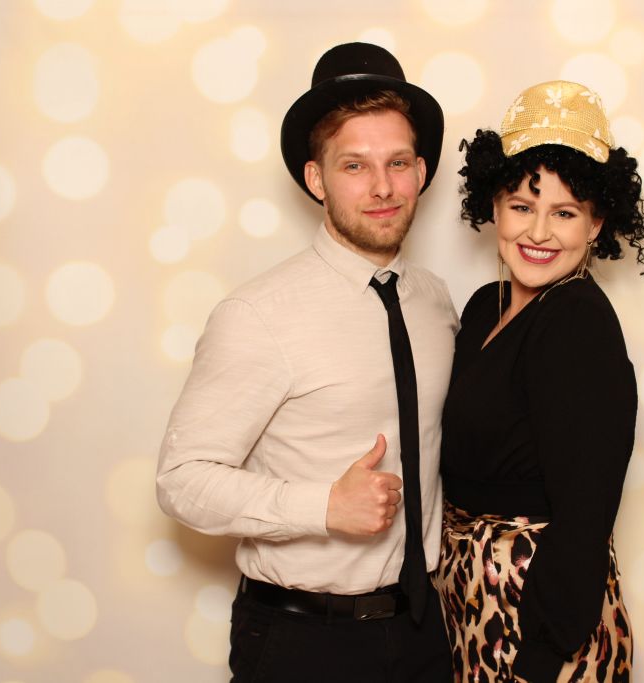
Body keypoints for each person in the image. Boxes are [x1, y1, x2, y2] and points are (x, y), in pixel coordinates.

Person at [156, 42, 458, 682]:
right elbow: (181, 481)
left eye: (397, 162)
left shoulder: (436, 303)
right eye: (355, 165)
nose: (382, 187)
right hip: (303, 642)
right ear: (317, 179)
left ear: (421, 171)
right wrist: (322, 507)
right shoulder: (258, 314)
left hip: (424, 630)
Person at [433, 80, 644, 683]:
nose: (538, 233)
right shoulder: (486, 306)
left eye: (565, 213)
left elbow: (586, 511)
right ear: (494, 207)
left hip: (536, 617)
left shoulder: (578, 321)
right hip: (473, 599)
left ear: (596, 223)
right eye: (522, 207)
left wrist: (543, 653)